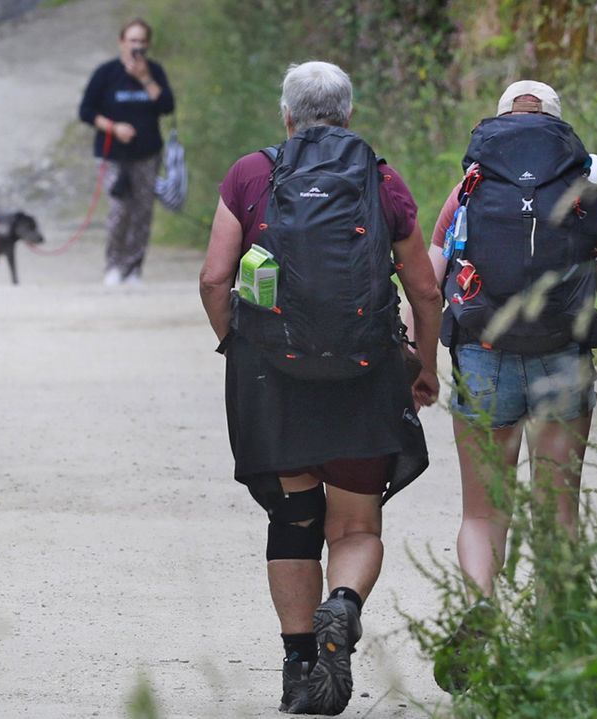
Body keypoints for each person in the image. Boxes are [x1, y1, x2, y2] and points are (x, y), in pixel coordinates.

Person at [199, 61, 443, 715]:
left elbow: (215, 278)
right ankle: (343, 604)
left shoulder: (251, 174)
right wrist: (425, 363)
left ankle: (299, 670)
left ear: (286, 116)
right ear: (349, 115)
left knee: (294, 518)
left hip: (273, 376)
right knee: (358, 525)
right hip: (364, 373)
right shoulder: (380, 178)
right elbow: (423, 286)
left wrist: (236, 342)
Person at [425, 81, 597, 690]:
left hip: (484, 355)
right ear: (557, 128)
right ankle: (556, 644)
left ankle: (479, 607)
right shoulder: (584, 188)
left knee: (481, 512)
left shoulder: (471, 183)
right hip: (562, 357)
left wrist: (417, 354)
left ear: (497, 125)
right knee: (558, 512)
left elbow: (430, 276)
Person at [79, 17, 175, 286]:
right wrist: (112, 127)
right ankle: (114, 265)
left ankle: (133, 269)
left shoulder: (154, 71)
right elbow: (86, 111)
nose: (137, 46)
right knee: (120, 210)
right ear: (122, 42)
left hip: (147, 153)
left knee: (142, 212)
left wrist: (145, 78)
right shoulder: (106, 73)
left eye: (142, 41)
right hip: (114, 155)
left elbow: (167, 106)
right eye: (133, 41)